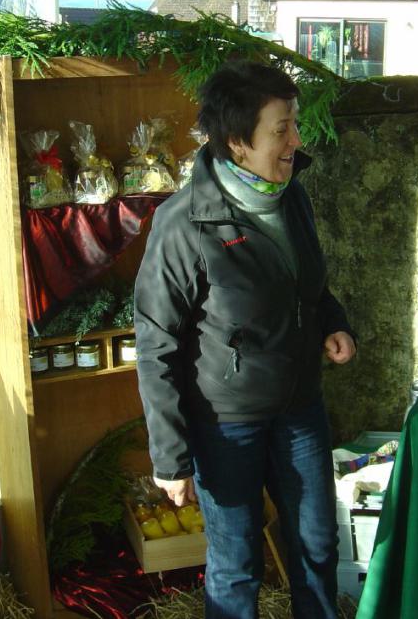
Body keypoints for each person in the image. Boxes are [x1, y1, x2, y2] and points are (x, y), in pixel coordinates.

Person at [134, 59, 357, 619]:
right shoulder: (186, 223)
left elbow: (306, 286)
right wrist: (170, 457)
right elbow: (156, 343)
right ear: (237, 142)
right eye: (281, 129)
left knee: (317, 547)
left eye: (294, 124)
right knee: (237, 566)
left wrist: (334, 322)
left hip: (299, 406)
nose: (296, 140)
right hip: (225, 424)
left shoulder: (292, 196)